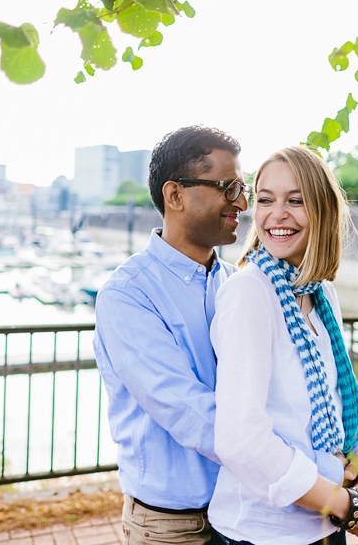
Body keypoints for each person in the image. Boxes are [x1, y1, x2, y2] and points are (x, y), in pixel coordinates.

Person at [209, 146, 358, 545]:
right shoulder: (250, 293)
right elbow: (241, 439)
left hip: (322, 526)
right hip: (264, 532)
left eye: (295, 200)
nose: (276, 214)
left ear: (324, 210)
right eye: (265, 199)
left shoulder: (321, 293)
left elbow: (336, 396)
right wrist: (347, 505)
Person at [93, 126, 249, 544]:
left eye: (243, 187)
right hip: (174, 526)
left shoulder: (237, 285)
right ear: (175, 195)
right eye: (228, 187)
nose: (243, 202)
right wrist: (295, 467)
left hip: (246, 508)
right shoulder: (128, 295)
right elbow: (186, 410)